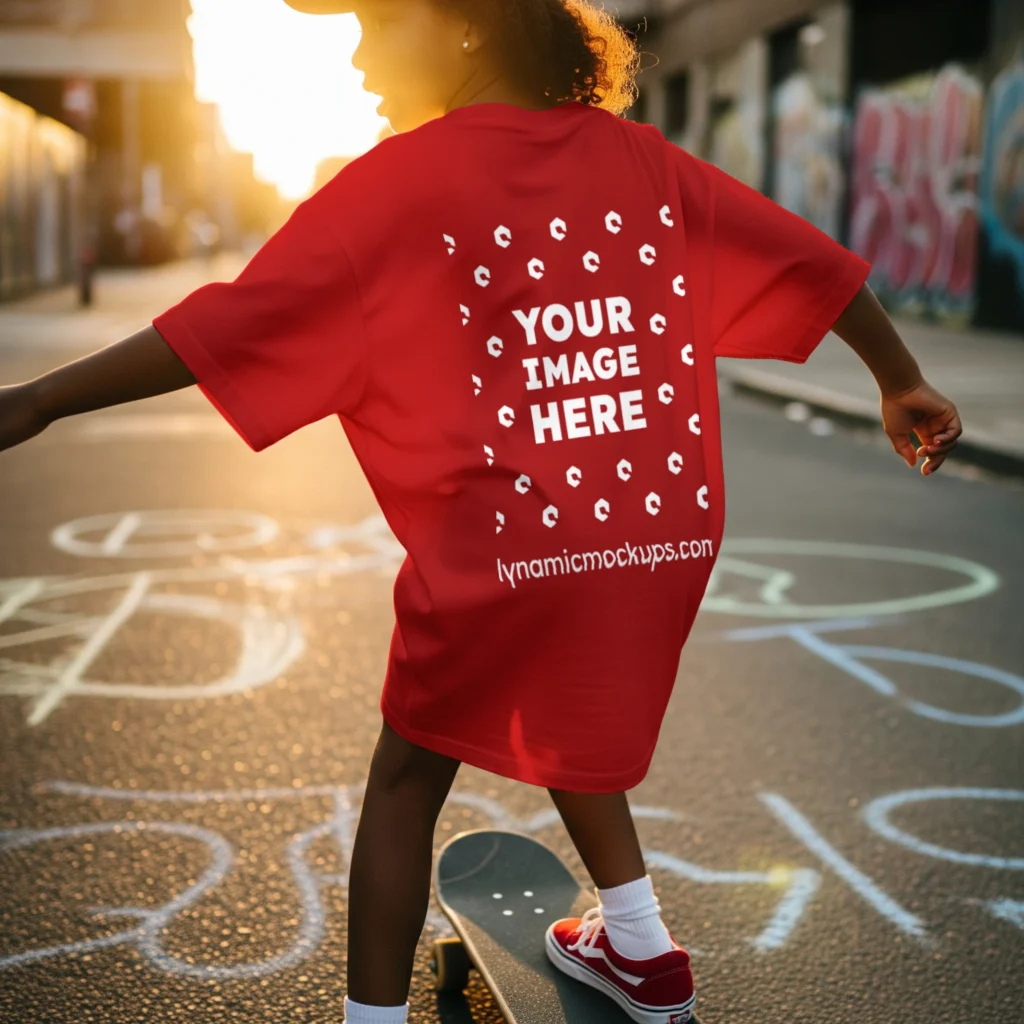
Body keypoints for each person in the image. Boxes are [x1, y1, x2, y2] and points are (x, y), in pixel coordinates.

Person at [0, 1, 963, 1021]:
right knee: (558, 696)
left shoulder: (396, 183)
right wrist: (899, 380)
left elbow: (230, 326)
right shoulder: (643, 162)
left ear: (464, 27)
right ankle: (638, 947)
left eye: (375, 26)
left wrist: (44, 396)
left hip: (512, 544)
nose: (360, 56)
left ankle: (370, 1019)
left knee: (406, 780)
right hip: (655, 528)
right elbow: (810, 264)